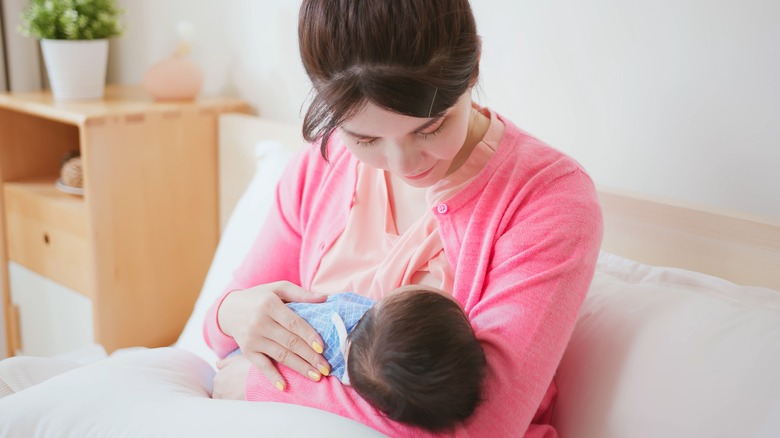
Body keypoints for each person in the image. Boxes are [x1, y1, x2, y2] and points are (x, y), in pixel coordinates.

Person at [206, 0, 603, 436]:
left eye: (429, 128)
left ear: (473, 70)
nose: (402, 163)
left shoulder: (547, 199)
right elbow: (221, 330)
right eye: (365, 137)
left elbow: (480, 426)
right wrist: (233, 313)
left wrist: (264, 385)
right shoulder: (321, 165)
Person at [226, 285, 486, 432]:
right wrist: (226, 312)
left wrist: (254, 381)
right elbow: (222, 328)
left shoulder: (335, 321)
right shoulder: (384, 379)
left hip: (236, 382)